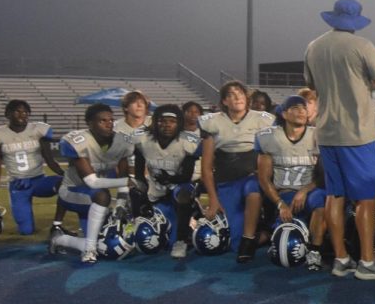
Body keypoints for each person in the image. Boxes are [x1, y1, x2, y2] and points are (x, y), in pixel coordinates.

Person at [303, 0, 375, 280]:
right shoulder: (362, 46)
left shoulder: (314, 46)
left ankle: (341, 259)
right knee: (366, 200)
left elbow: (310, 85)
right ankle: (367, 262)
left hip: (327, 133)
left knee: (335, 196)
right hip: (358, 134)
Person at [198, 80, 276, 260]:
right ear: (224, 101)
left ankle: (249, 239)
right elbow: (207, 168)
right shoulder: (213, 122)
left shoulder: (263, 119)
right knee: (233, 244)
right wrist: (213, 199)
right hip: (227, 181)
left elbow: (272, 153)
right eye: (232, 95)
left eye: (240, 94)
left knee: (253, 188)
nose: (237, 97)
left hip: (253, 178)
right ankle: (266, 233)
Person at [49, 104, 135, 263]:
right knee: (102, 198)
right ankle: (87, 249)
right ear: (89, 123)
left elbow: (123, 174)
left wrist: (122, 203)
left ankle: (60, 239)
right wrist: (127, 181)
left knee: (105, 237)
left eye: (111, 120)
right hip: (71, 192)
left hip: (94, 198)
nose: (109, 124)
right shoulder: (79, 141)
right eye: (103, 121)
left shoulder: (121, 141)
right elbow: (92, 182)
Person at [254, 94, 326, 265]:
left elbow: (325, 174)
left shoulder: (318, 135)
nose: (301, 111)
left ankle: (315, 252)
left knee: (321, 201)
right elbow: (264, 178)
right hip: (283, 194)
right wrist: (280, 204)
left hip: (310, 192)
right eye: (295, 108)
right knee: (284, 245)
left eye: (303, 108)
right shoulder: (269, 137)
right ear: (284, 114)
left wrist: (304, 190)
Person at [132, 104, 201, 259]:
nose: (167, 125)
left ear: (179, 123)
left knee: (183, 194)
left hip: (178, 189)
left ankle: (181, 241)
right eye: (162, 121)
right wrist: (141, 196)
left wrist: (169, 179)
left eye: (172, 121)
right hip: (155, 192)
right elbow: (138, 173)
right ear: (155, 122)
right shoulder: (143, 140)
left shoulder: (188, 141)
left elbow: (186, 176)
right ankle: (136, 223)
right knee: (134, 188)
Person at [0, 99, 65, 236]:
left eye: (25, 112)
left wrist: (65, 174)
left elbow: (50, 160)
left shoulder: (38, 130)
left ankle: (57, 224)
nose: (22, 115)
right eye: (17, 111)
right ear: (8, 114)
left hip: (39, 181)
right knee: (26, 231)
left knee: (64, 183)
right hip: (17, 185)